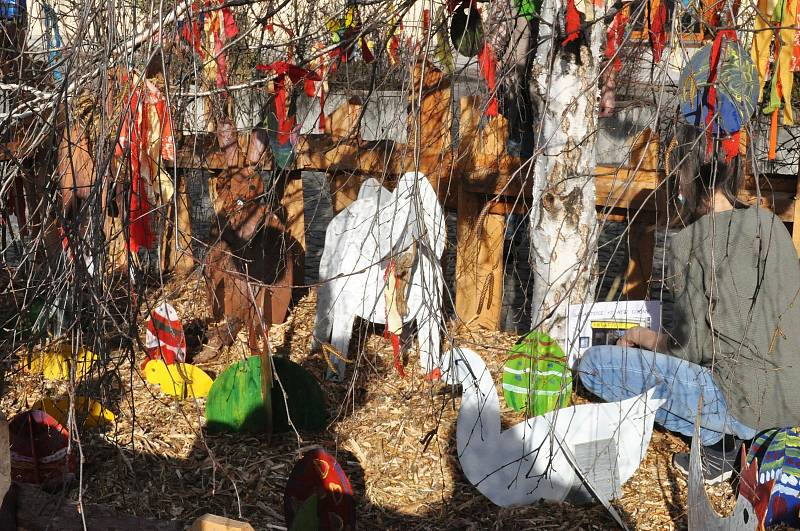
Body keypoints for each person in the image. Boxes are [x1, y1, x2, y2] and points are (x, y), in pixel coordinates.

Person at [578, 123, 800, 485]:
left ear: (688, 176)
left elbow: (688, 349)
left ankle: (725, 440)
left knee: (592, 365)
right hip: (790, 399)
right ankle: (727, 447)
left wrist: (642, 336)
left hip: (738, 400)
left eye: (677, 172)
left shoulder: (691, 241)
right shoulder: (770, 223)